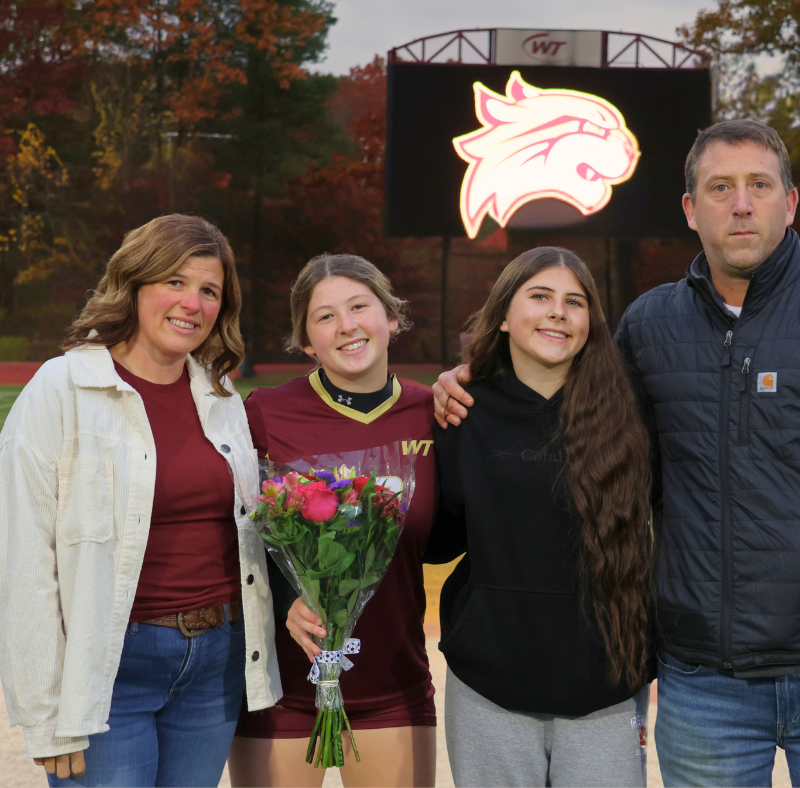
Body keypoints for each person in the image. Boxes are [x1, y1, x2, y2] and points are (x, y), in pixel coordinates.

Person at [435, 120, 800, 788]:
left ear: (789, 203)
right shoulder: (652, 325)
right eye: (719, 187)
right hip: (703, 684)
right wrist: (475, 381)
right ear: (689, 209)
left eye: (759, 185)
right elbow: (576, 425)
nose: (740, 203)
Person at [0, 214, 282, 787]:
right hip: (109, 668)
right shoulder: (62, 389)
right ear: (133, 284)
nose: (193, 303)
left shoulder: (221, 399)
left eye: (210, 291)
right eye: (174, 282)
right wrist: (46, 717)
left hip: (216, 664)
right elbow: (24, 561)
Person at [432, 247, 653, 788]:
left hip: (605, 680)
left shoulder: (631, 412)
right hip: (490, 682)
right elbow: (437, 540)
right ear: (504, 316)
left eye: (574, 302)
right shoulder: (461, 409)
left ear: (590, 324)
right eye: (540, 296)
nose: (558, 312)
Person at [227, 254, 440, 788]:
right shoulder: (265, 412)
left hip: (393, 682)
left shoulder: (435, 412)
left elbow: (453, 535)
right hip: (281, 687)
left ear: (391, 319)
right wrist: (284, 600)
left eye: (359, 306)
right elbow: (231, 534)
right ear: (305, 340)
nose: (346, 325)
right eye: (324, 317)